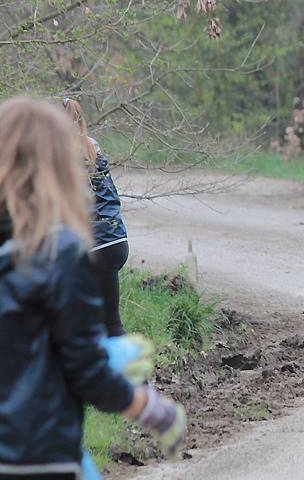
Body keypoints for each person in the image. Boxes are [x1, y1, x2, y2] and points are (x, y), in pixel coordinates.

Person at [0, 98, 185, 479]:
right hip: (39, 455)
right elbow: (83, 367)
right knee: (113, 325)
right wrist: (149, 409)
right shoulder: (61, 254)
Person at [63, 97, 129, 337]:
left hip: (93, 247)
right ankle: (132, 374)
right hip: (116, 241)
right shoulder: (93, 146)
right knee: (111, 325)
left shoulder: (63, 154)